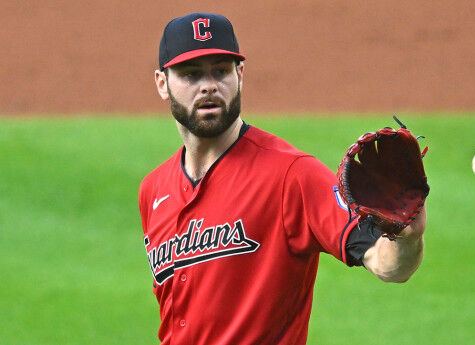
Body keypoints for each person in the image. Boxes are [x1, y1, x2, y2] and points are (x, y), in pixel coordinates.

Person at [139, 12, 427, 345]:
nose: (208, 85)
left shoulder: (291, 174)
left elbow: (387, 264)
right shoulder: (154, 189)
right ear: (162, 83)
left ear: (240, 75)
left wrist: (407, 238)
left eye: (221, 71)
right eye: (190, 75)